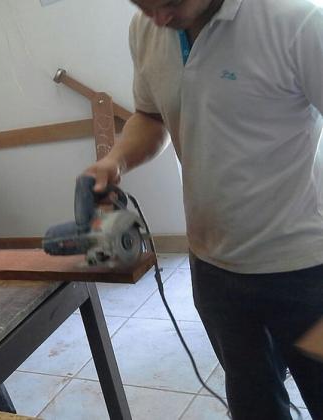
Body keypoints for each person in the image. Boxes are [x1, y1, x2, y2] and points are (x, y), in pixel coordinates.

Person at [85, 0, 323, 418]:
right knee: (253, 402)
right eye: (142, 4)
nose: (157, 19)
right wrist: (115, 160)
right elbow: (150, 114)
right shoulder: (147, 27)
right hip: (215, 271)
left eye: (170, 3)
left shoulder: (298, 19)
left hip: (308, 273)